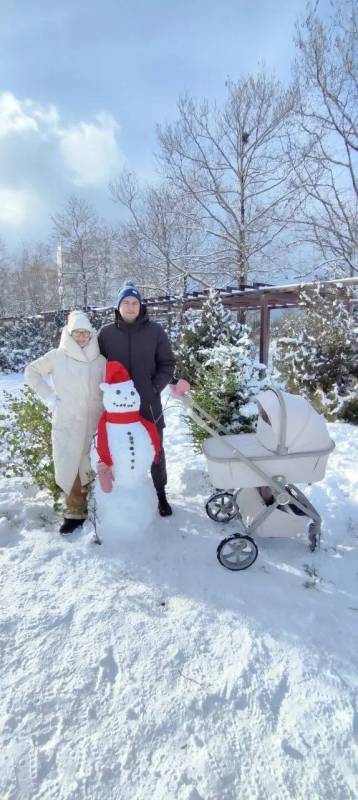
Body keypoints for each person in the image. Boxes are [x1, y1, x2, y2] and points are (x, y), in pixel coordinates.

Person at [98, 282, 175, 516]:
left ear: (140, 306)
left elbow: (167, 363)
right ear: (118, 306)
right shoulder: (106, 334)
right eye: (126, 303)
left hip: (148, 404)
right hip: (117, 411)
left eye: (135, 303)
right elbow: (96, 366)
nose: (131, 307)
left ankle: (160, 493)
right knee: (118, 449)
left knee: (155, 450)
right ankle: (124, 494)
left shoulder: (155, 332)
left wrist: (153, 389)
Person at [24, 310, 105, 535]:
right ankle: (74, 513)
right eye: (76, 333)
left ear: (91, 335)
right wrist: (49, 396)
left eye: (85, 333)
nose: (81, 337)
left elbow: (110, 386)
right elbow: (31, 372)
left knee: (92, 465)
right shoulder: (57, 356)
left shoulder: (100, 361)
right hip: (68, 422)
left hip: (95, 423)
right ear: (69, 334)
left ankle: (97, 507)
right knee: (70, 466)